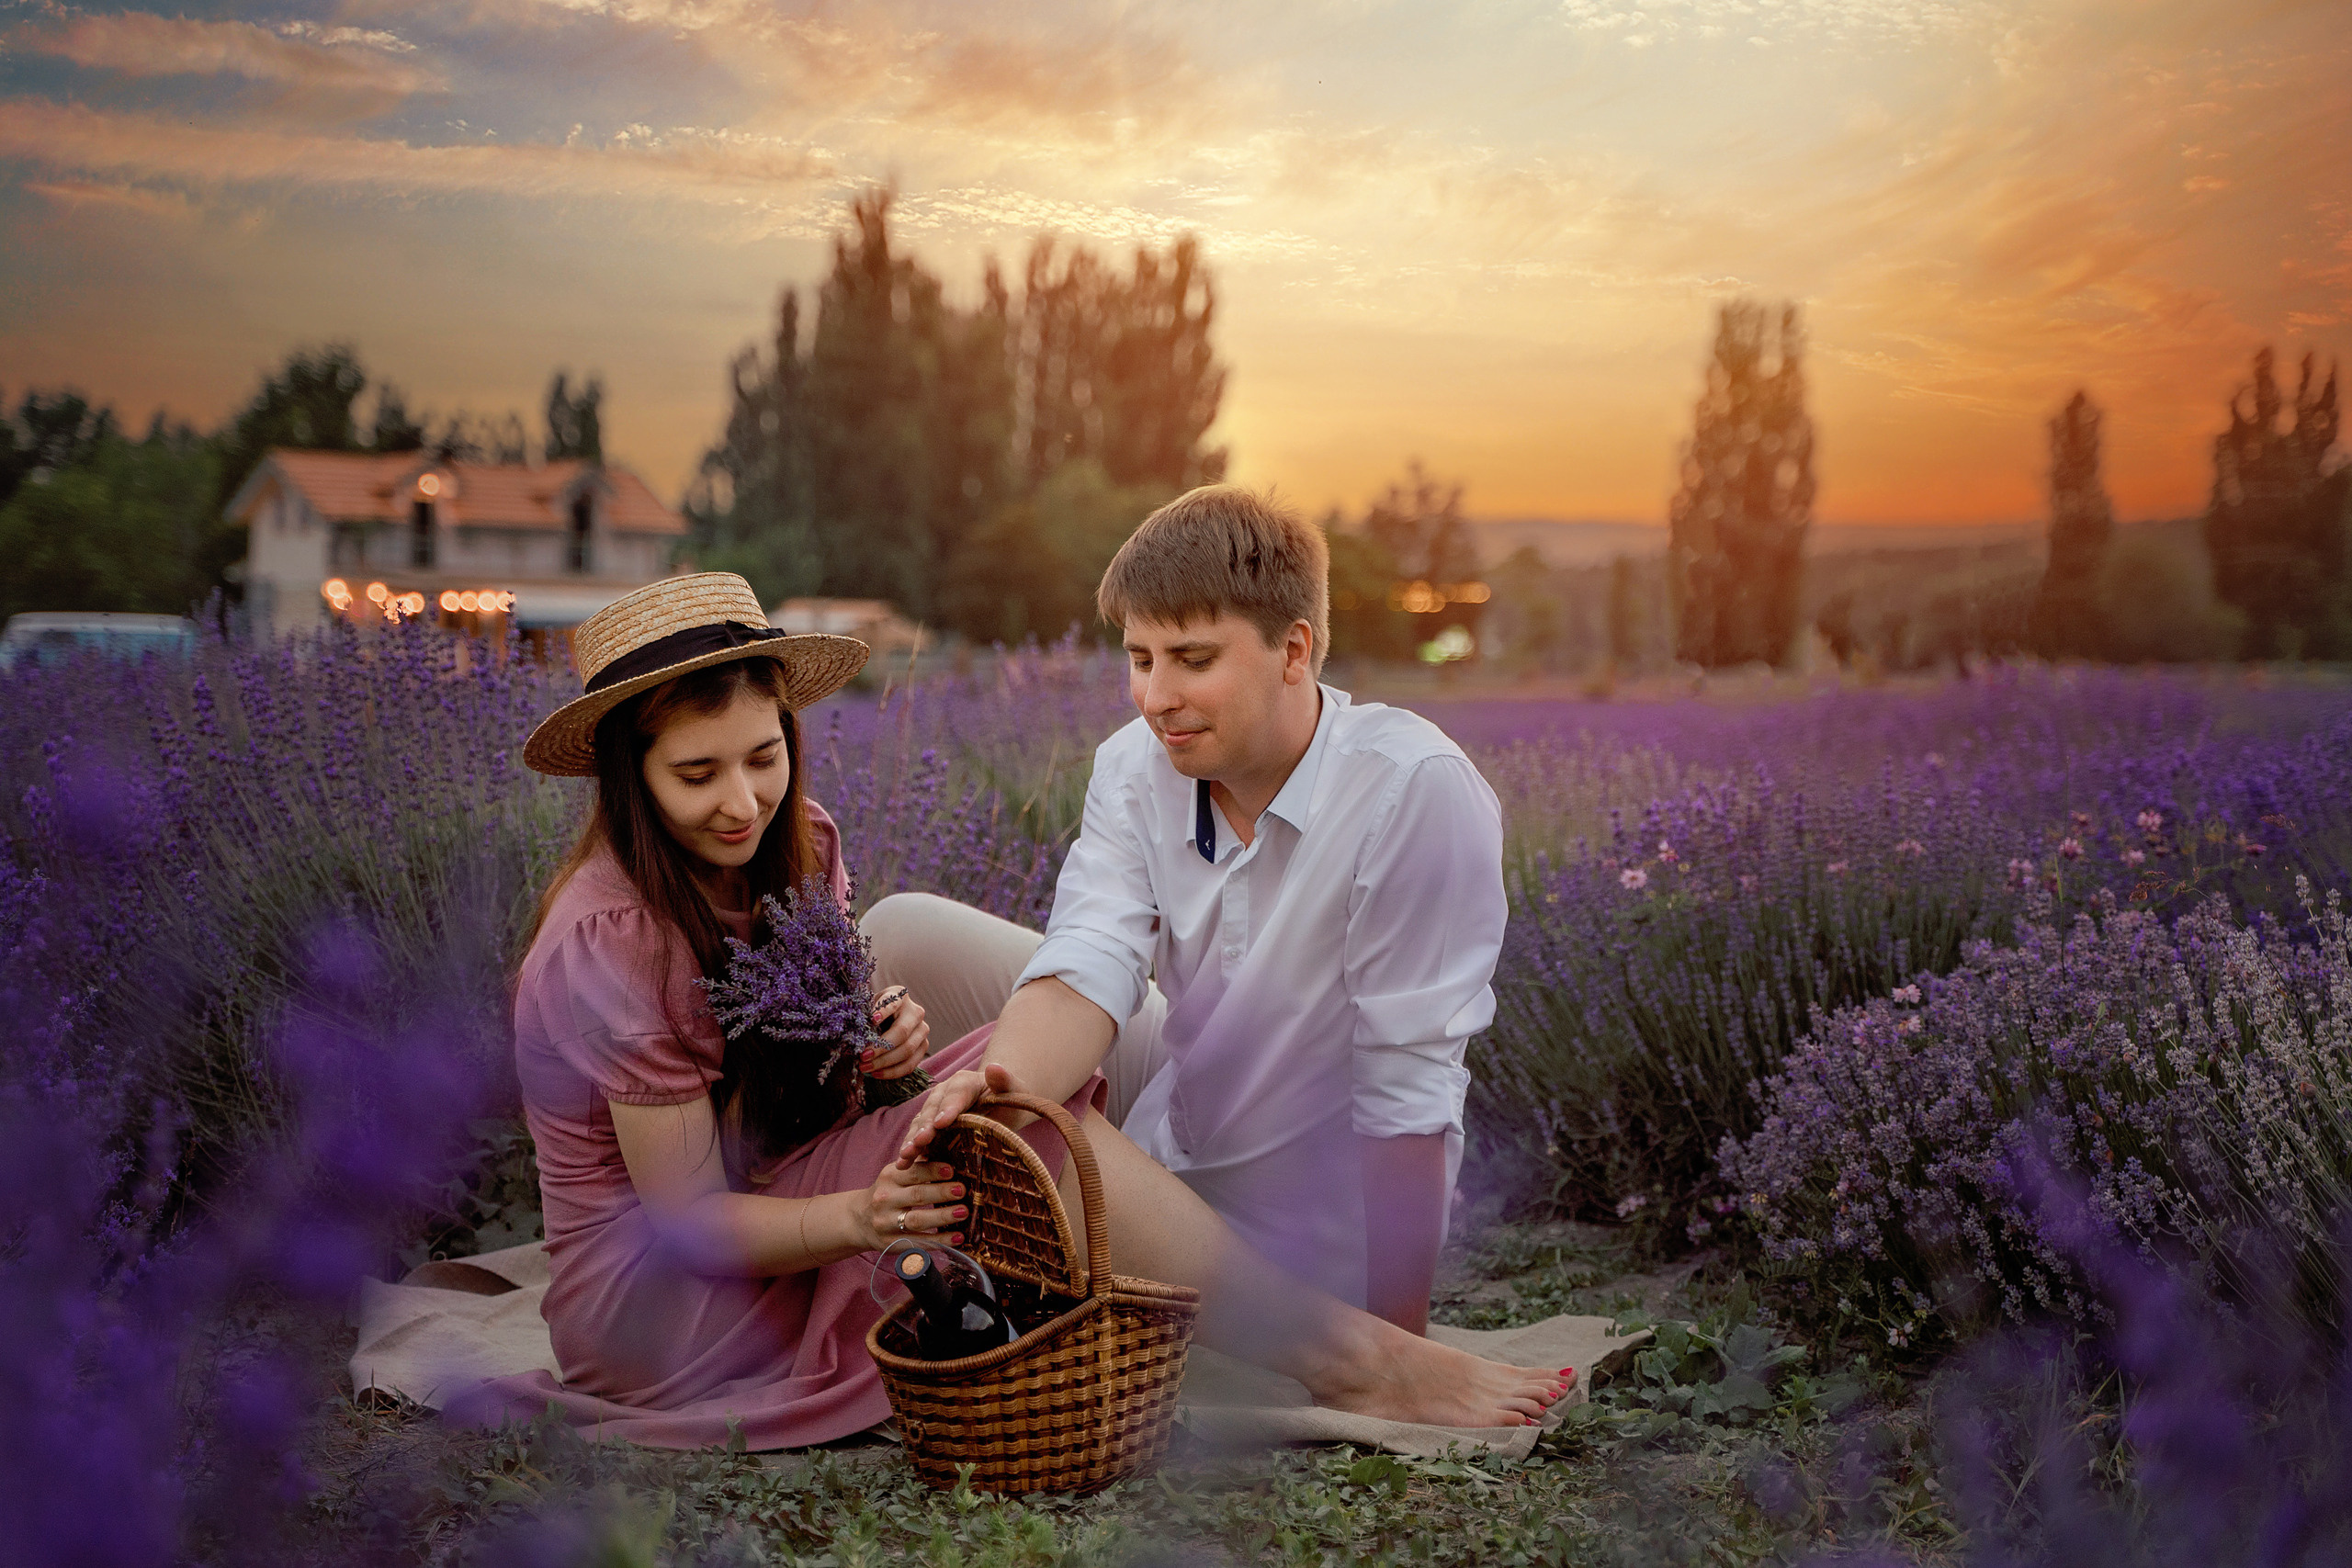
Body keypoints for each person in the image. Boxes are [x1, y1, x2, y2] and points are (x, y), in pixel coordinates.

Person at [479, 572, 1566, 1450]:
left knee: (992, 1090)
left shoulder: (791, 843)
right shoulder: (608, 940)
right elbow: (683, 1219)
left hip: (772, 1199)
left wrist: (871, 1052)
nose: (740, 801)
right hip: (668, 1306)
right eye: (695, 775)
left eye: (764, 758)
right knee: (1017, 1140)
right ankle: (1357, 1362)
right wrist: (864, 1218)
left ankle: (1264, 1303)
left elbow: (785, 1087)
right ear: (632, 778)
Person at [895, 486, 1505, 1332]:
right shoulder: (1134, 766)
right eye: (1140, 659)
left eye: (1192, 658)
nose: (1155, 697)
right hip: (1182, 1126)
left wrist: (1396, 1344)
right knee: (899, 933)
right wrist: (1006, 1094)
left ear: (1295, 650)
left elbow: (1408, 1085)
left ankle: (1295, 1322)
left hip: (1314, 1223)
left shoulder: (1414, 791)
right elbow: (1090, 955)